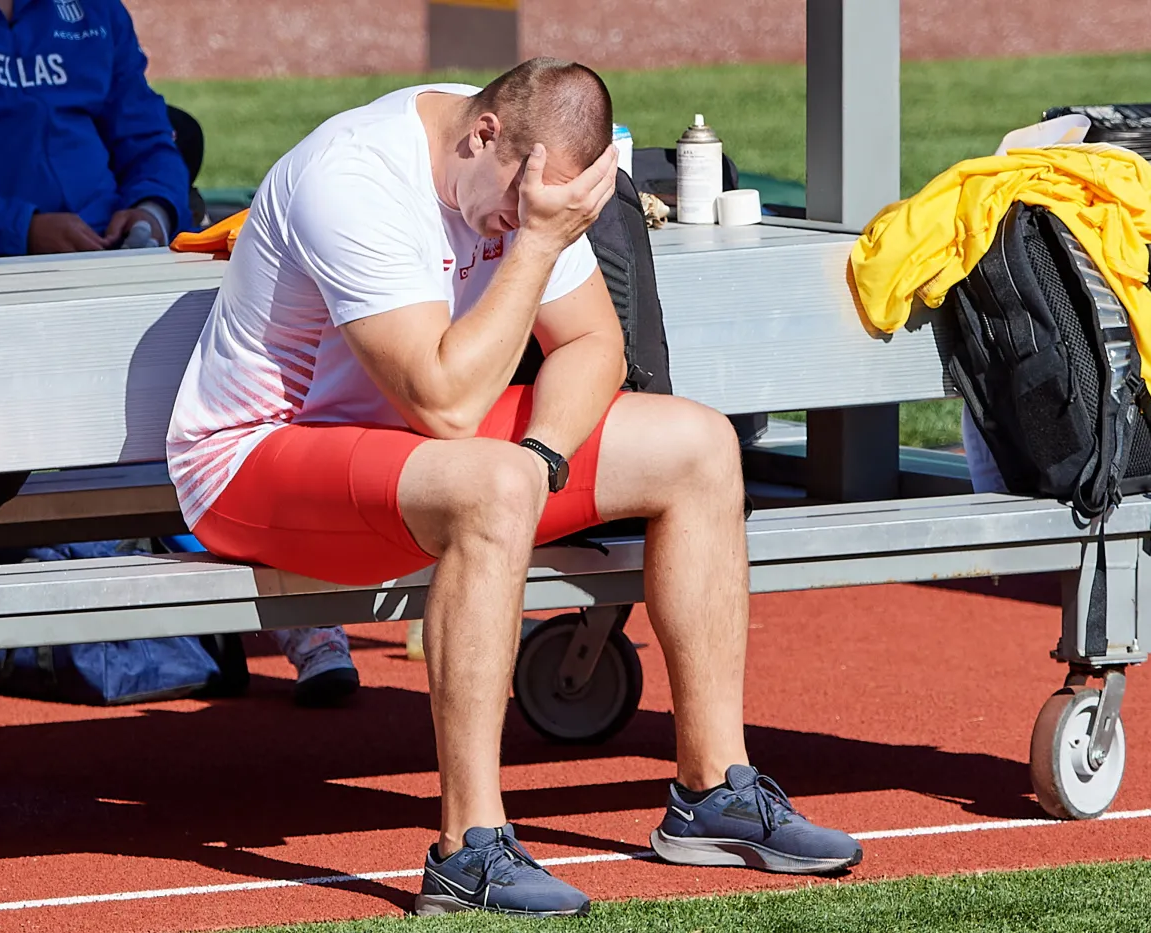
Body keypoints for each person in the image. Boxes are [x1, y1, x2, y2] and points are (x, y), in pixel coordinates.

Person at [167, 57, 863, 918]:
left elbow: (593, 347)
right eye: (520, 207)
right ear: (484, 135)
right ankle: (470, 850)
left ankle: (711, 793)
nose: (521, 222)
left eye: (547, 215)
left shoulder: (523, 168)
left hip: (412, 448)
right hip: (255, 457)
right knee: (490, 484)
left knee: (700, 443)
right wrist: (534, 242)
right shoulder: (354, 176)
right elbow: (447, 405)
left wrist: (541, 456)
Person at [0, 0, 355, 707]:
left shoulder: (94, 9)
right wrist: (20, 228)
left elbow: (149, 135)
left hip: (108, 287)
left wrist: (154, 211)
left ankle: (302, 597)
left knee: (255, 373)